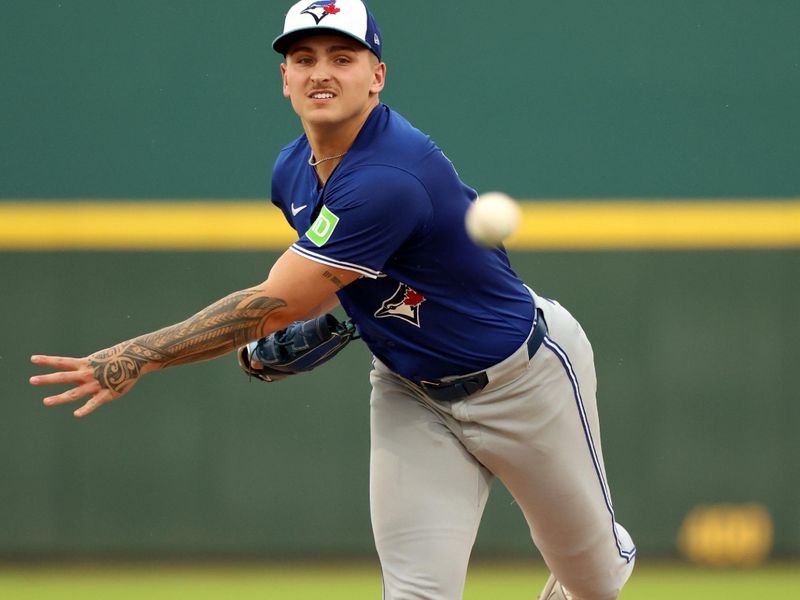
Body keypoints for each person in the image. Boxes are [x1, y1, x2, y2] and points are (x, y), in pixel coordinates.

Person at [29, 1, 636, 598]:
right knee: (415, 590)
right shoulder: (291, 171)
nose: (321, 71)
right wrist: (293, 324)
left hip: (523, 379)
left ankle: (611, 550)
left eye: (343, 57)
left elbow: (281, 301)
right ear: (284, 79)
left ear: (376, 77)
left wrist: (141, 354)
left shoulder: (390, 174)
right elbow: (324, 284)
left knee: (595, 583)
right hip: (411, 390)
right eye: (304, 57)